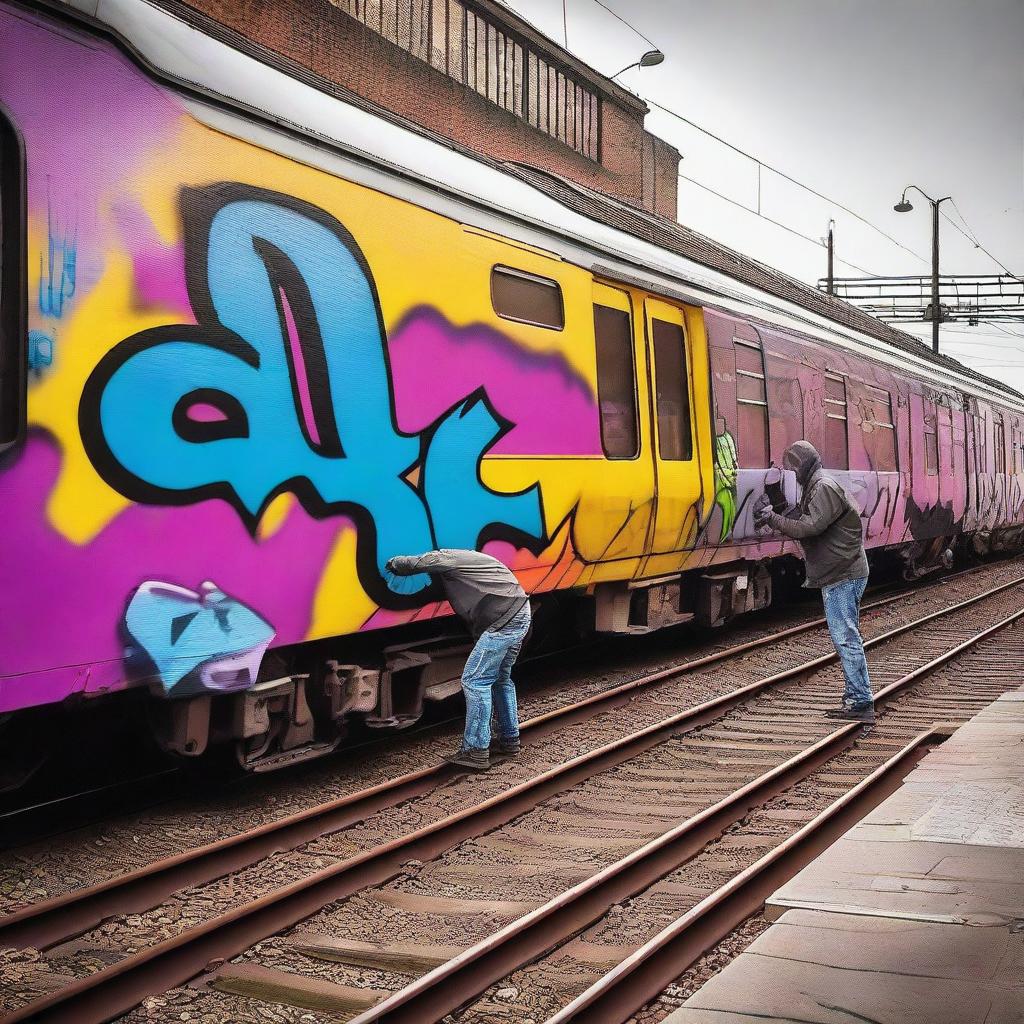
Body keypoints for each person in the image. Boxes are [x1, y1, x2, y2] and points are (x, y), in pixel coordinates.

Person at [753, 440, 875, 723]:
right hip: (839, 571)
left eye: (794, 470)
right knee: (846, 635)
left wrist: (772, 518)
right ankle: (857, 697)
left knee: (845, 637)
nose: (794, 475)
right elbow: (808, 518)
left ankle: (859, 700)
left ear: (803, 467)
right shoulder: (819, 485)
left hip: (843, 574)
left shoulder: (822, 487)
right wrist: (780, 505)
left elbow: (809, 527)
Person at [385, 549, 531, 769]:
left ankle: (476, 750)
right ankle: (509, 740)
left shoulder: (449, 557)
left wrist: (396, 563)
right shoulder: (476, 559)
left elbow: (427, 561)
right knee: (501, 680)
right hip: (518, 614)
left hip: (504, 621)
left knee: (474, 681)